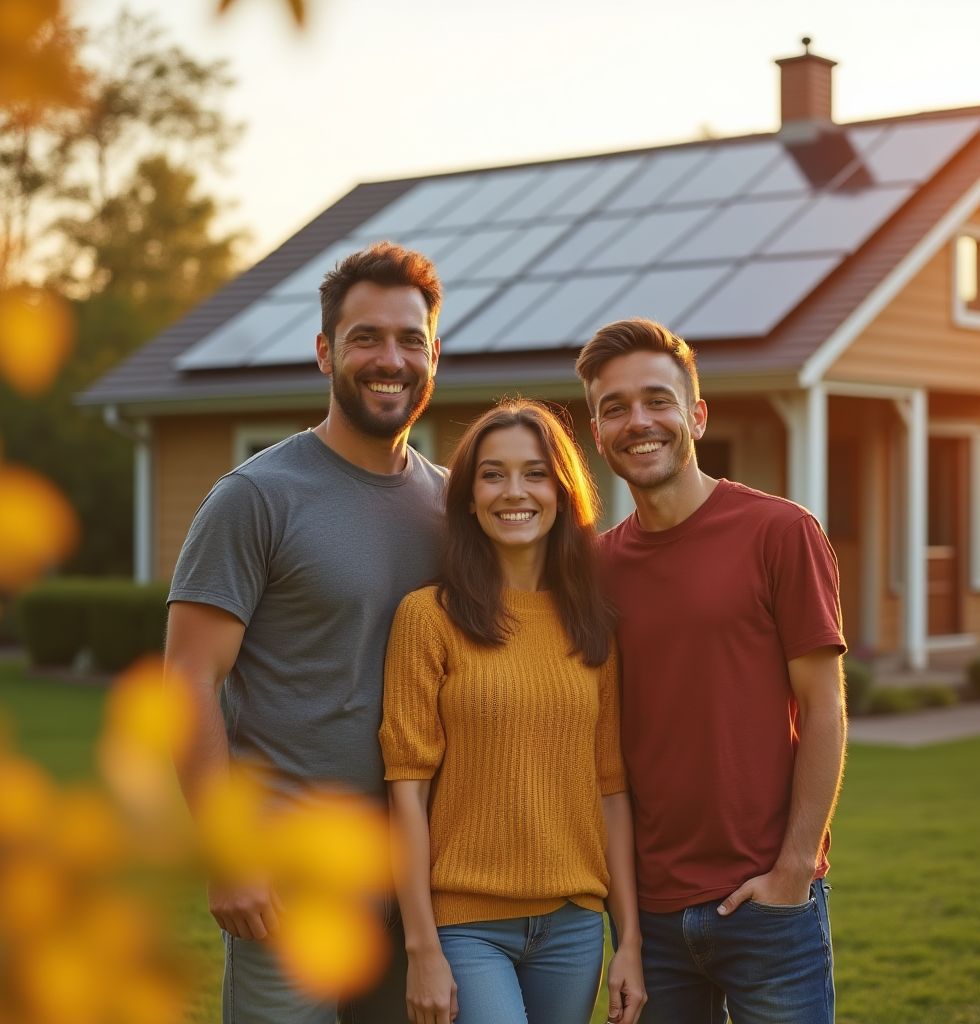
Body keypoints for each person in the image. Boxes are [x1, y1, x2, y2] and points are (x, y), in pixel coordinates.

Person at [164, 241, 447, 1023]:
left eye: (409, 340)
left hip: (419, 876)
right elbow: (187, 679)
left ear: (434, 355)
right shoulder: (256, 497)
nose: (389, 359)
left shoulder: (455, 508)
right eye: (365, 338)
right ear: (325, 351)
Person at [575, 318, 847, 1024]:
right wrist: (628, 922)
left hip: (769, 907)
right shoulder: (595, 569)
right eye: (615, 407)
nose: (639, 421)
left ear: (696, 414)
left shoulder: (780, 533)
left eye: (658, 400)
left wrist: (792, 872)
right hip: (653, 920)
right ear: (598, 432)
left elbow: (823, 707)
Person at [380, 399, 647, 1024]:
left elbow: (610, 789)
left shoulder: (591, 625)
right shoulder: (428, 618)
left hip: (573, 926)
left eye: (534, 473)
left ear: (562, 493)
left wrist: (627, 939)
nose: (514, 491)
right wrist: (421, 948)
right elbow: (406, 793)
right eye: (492, 474)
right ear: (469, 499)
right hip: (467, 928)